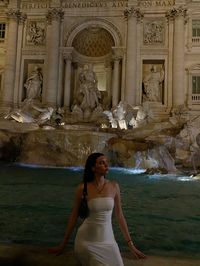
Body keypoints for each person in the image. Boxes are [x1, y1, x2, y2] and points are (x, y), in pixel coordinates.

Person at [48, 152, 146, 265]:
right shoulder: (82, 188)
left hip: (109, 242)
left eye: (106, 163)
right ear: (93, 168)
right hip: (87, 241)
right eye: (101, 163)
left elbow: (119, 216)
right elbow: (74, 215)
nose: (106, 165)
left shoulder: (114, 186)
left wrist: (131, 245)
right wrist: (63, 245)